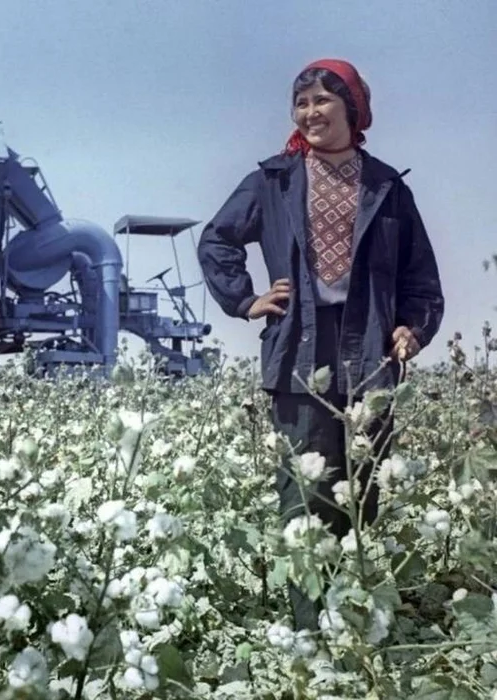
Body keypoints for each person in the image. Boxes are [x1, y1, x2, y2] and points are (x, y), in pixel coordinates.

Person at [197, 58, 444, 629]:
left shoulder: (386, 188)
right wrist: (247, 300)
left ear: (352, 110)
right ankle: (310, 632)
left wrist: (412, 327)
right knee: (304, 493)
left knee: (364, 489)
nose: (310, 113)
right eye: (301, 104)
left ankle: (353, 624)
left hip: (371, 353)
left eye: (323, 102)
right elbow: (217, 241)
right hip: (298, 349)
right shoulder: (274, 179)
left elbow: (421, 279)